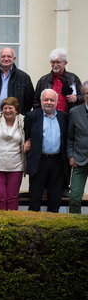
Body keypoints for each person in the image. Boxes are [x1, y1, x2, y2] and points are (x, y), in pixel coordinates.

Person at [24, 89, 69, 213]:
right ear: (41, 101)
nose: (49, 102)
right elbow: (26, 135)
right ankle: (32, 229)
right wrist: (28, 140)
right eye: (46, 100)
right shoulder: (31, 116)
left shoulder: (64, 117)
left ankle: (53, 227)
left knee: (55, 198)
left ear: (57, 101)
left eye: (52, 100)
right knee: (35, 198)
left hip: (57, 162)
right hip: (39, 161)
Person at [0, 47, 34, 115]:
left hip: (15, 119)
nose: (6, 59)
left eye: (9, 56)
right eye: (3, 56)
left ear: (14, 59)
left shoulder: (24, 77)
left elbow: (29, 101)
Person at [33, 48, 83, 112]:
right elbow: (36, 102)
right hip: (49, 117)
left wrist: (76, 98)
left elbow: (83, 97)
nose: (55, 65)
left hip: (69, 117)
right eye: (53, 62)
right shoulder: (43, 80)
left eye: (58, 62)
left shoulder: (73, 78)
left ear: (65, 63)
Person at [66, 81, 88, 214]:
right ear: (83, 94)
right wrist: (71, 156)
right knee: (74, 198)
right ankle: (75, 228)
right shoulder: (74, 112)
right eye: (86, 93)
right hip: (79, 160)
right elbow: (69, 137)